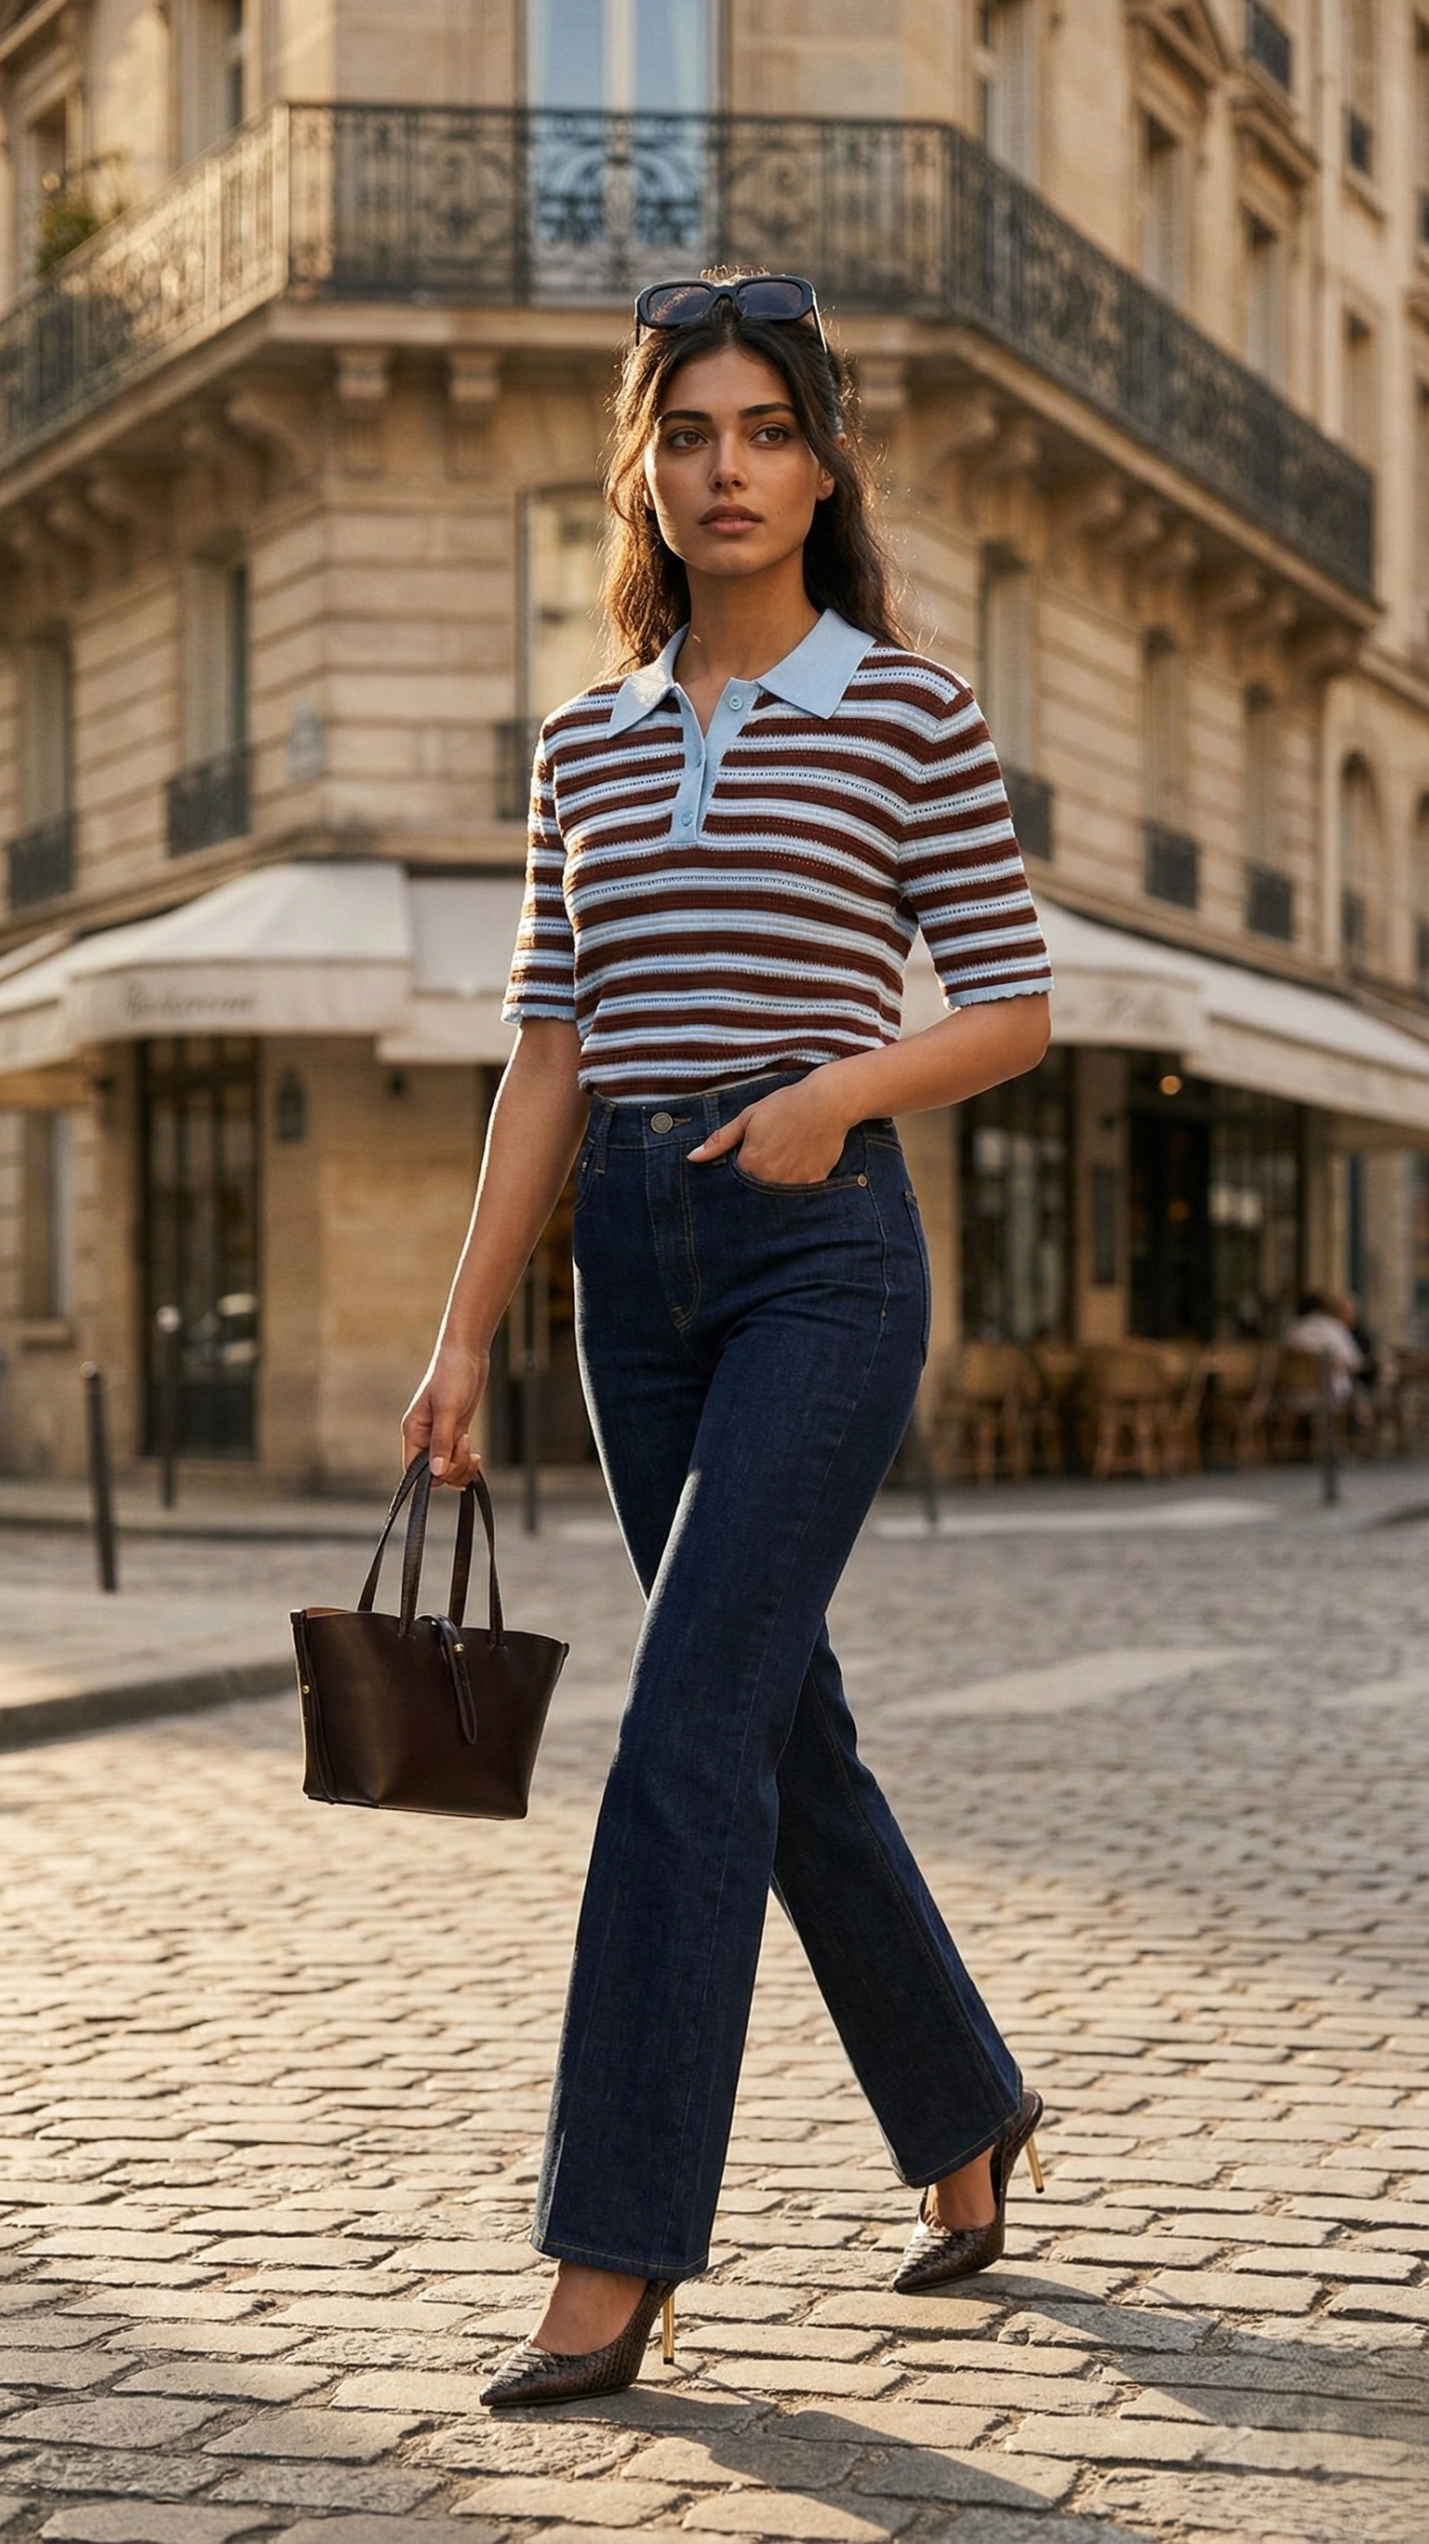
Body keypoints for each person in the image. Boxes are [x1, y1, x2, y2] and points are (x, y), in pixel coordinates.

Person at [403, 270, 1054, 2410]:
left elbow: (1012, 1005)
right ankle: (964, 2123)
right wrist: (462, 1331)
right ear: (646, 471)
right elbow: (546, 1052)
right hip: (634, 1276)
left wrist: (842, 1091)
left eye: (768, 428)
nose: (727, 467)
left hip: (823, 1252)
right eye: (689, 433)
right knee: (785, 1730)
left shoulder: (909, 710)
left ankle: (612, 2255)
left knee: (684, 1729)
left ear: (826, 460)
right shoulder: (583, 737)